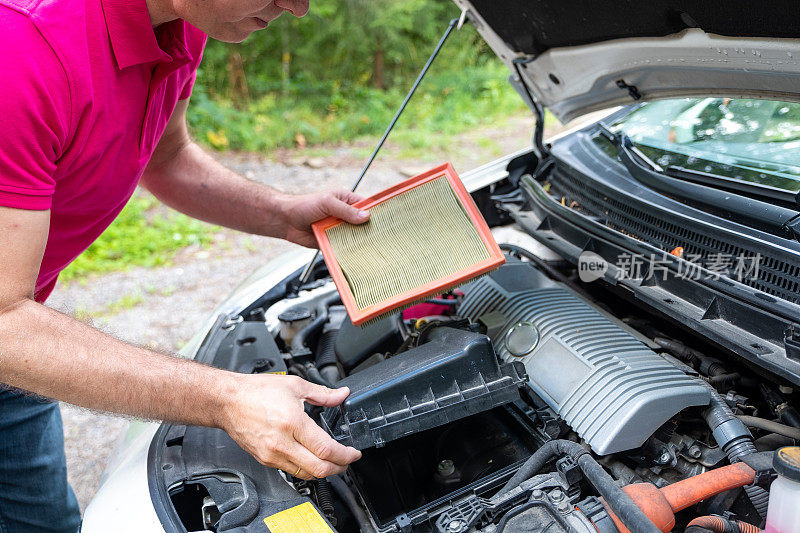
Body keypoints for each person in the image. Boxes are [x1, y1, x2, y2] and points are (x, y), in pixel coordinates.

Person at [0, 0, 366, 530]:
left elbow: (166, 156)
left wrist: (282, 215)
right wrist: (225, 398)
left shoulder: (180, 21)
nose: (298, 7)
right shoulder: (21, 53)